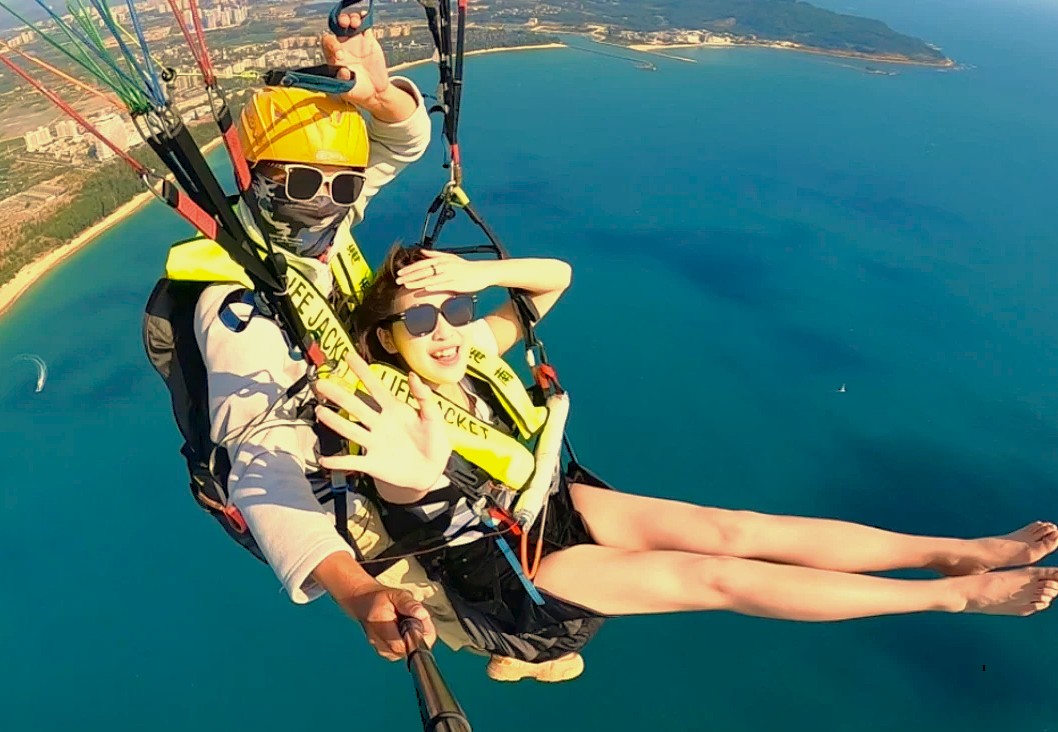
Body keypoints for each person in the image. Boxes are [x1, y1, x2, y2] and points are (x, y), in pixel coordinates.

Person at [312, 243, 1058, 678]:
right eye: (416, 318)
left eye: (453, 309)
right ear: (382, 340)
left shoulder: (469, 353)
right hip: (516, 583)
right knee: (718, 576)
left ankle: (958, 552)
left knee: (734, 528)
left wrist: (476, 277)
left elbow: (557, 277)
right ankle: (957, 596)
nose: (442, 329)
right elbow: (401, 486)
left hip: (551, 505)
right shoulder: (387, 415)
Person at [158, 15, 467, 663]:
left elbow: (401, 142)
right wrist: (357, 594)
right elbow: (256, 448)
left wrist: (379, 96)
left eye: (342, 186)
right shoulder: (235, 300)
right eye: (300, 183)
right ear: (257, 176)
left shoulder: (319, 232)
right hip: (320, 486)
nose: (323, 199)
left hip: (355, 433)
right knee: (463, 585)